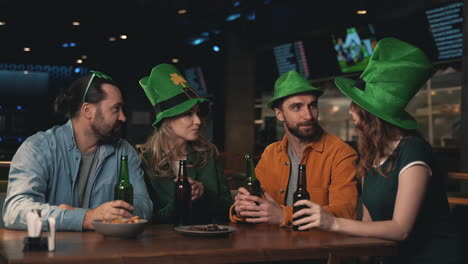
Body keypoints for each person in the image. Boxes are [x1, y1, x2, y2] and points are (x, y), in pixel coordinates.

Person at [293, 38, 465, 263]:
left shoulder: (413, 151)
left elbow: (401, 229)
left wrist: (331, 222)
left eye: (355, 106)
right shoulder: (371, 155)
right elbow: (367, 223)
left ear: (369, 115)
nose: (350, 113)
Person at [2, 71, 152, 231]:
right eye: (116, 109)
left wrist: (119, 213)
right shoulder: (37, 148)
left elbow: (144, 204)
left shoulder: (124, 151)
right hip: (53, 252)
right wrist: (85, 217)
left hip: (108, 251)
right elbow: (15, 211)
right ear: (88, 111)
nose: (123, 117)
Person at [231, 70, 358, 226]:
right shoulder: (271, 153)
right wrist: (241, 209)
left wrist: (284, 215)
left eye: (312, 106)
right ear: (279, 114)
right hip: (272, 245)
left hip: (320, 246)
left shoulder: (341, 153)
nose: (309, 116)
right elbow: (258, 204)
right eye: (297, 107)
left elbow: (345, 213)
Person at [138, 64, 233, 224]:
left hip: (209, 243)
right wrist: (179, 200)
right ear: (167, 121)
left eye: (197, 113)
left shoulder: (208, 154)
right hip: (164, 246)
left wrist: (204, 193)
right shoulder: (145, 161)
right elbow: (148, 220)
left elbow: (228, 209)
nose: (198, 121)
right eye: (188, 114)